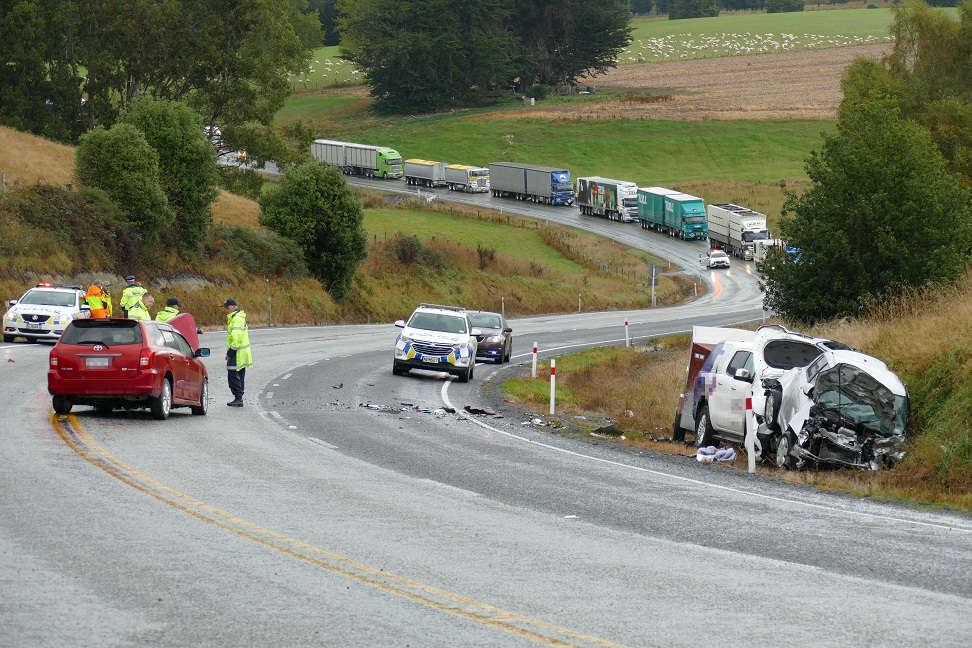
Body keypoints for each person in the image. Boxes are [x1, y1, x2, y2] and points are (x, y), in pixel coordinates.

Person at [222, 299, 252, 407]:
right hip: (241, 353)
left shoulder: (236, 319)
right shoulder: (236, 318)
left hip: (237, 354)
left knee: (233, 376)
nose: (226, 310)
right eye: (225, 308)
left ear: (234, 307)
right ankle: (239, 398)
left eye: (227, 307)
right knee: (239, 375)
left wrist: (230, 353)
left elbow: (236, 338)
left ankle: (238, 398)